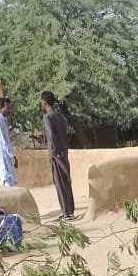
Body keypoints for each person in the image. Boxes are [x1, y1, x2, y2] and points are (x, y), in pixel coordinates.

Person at [40, 90, 79, 221]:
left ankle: (66, 212)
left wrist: (55, 152)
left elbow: (51, 135)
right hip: (64, 152)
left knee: (60, 183)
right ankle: (70, 210)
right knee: (66, 181)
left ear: (44, 102)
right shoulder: (60, 117)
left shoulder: (47, 117)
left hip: (56, 154)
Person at [0, 97, 18, 187]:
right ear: (1, 108)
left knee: (9, 180)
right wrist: (12, 155)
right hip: (1, 156)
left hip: (5, 156)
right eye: (7, 108)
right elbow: (2, 141)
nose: (9, 110)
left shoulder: (2, 120)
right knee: (6, 181)